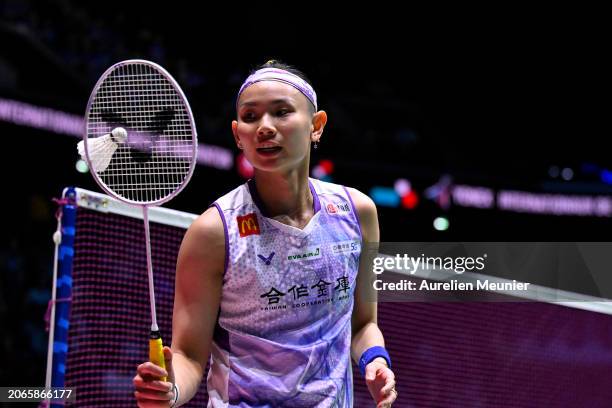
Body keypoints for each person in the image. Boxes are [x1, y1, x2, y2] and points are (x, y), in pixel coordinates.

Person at [133, 60, 397, 407]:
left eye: (281, 112)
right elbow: (188, 356)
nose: (264, 127)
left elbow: (363, 325)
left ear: (317, 126)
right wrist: (170, 389)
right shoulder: (214, 232)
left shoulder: (357, 213)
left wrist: (375, 361)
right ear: (237, 134)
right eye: (250, 116)